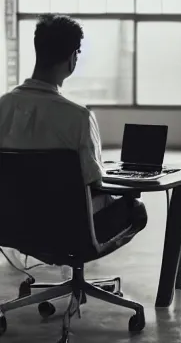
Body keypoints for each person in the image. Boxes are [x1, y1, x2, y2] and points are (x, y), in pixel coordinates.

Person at [0, 14, 147, 272]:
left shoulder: (2, 107)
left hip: (13, 226)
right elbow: (94, 185)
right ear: (72, 58)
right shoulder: (78, 118)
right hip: (70, 231)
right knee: (135, 208)